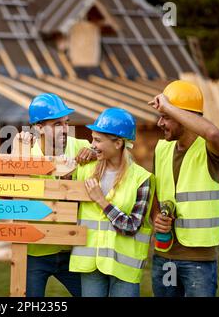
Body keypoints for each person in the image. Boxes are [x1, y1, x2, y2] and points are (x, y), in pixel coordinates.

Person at [149, 80, 219, 297]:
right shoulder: (162, 149)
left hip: (199, 261)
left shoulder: (213, 151)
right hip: (164, 255)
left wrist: (169, 107)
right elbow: (156, 194)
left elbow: (213, 134)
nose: (160, 123)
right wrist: (157, 216)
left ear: (183, 116)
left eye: (166, 117)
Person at [12, 93, 97, 297]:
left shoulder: (79, 147)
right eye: (57, 124)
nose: (65, 129)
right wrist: (16, 152)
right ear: (39, 127)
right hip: (35, 251)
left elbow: (118, 154)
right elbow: (12, 196)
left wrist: (96, 153)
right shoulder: (27, 156)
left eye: (66, 123)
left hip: (72, 249)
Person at [69, 108, 155, 297]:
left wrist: (101, 200)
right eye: (93, 139)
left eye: (98, 140)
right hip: (90, 263)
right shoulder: (85, 170)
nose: (92, 144)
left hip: (124, 269)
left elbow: (132, 226)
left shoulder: (142, 178)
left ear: (117, 143)